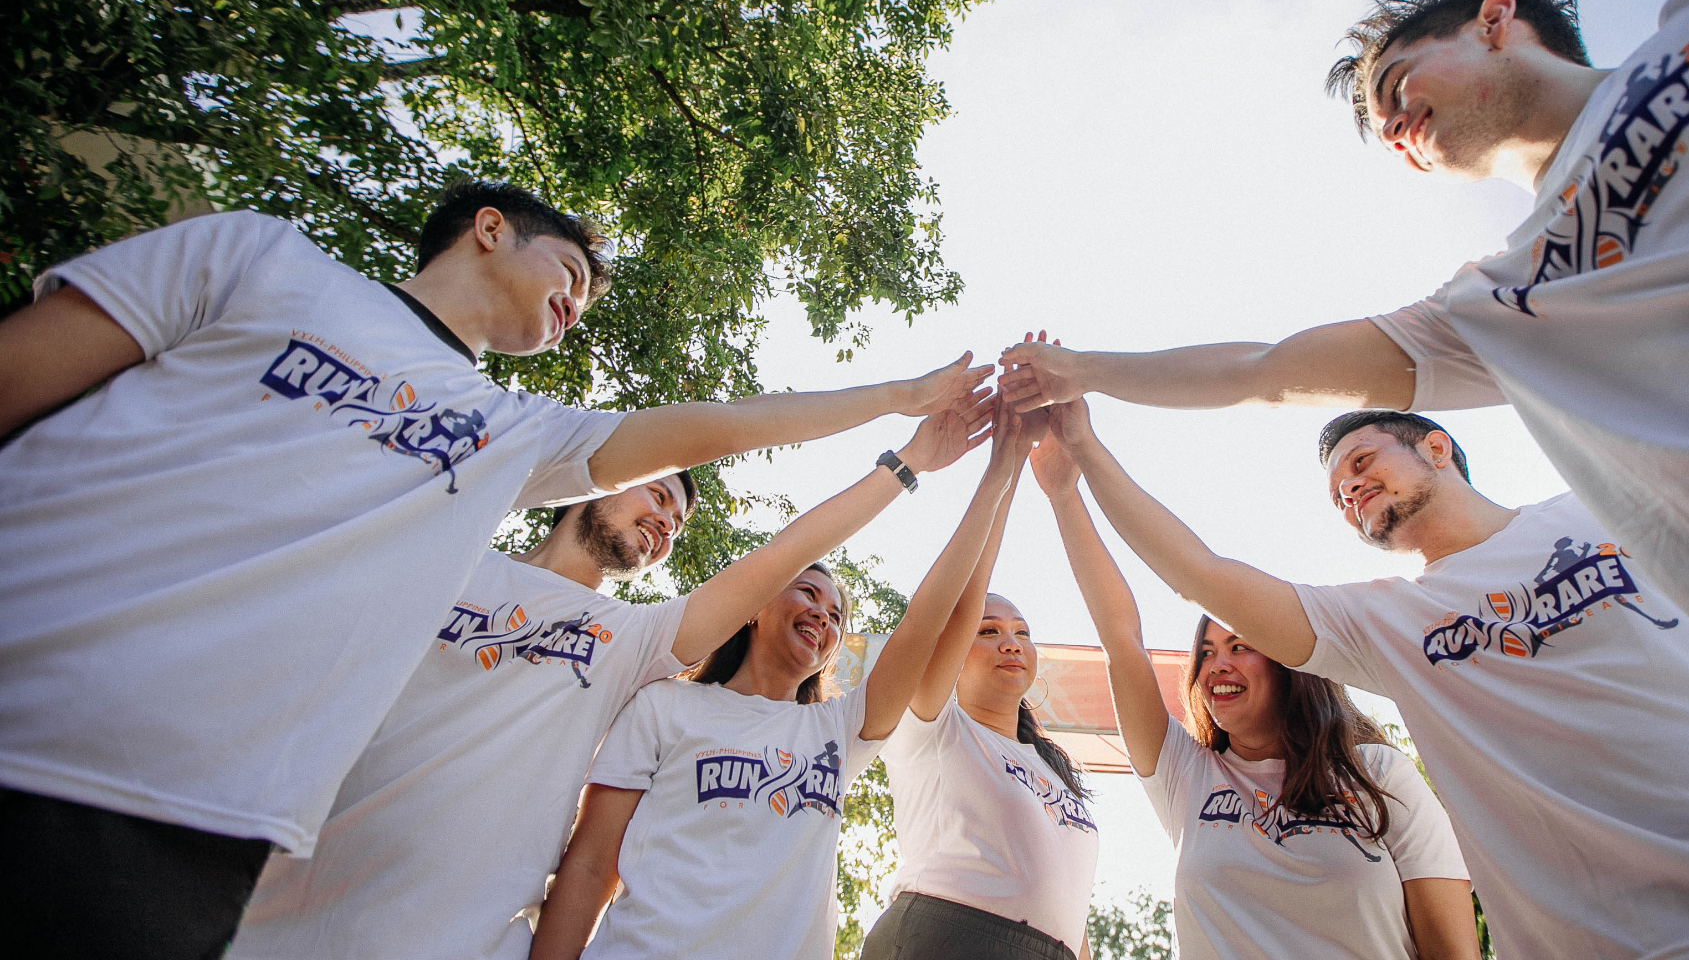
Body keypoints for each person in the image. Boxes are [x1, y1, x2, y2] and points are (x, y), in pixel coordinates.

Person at [998, 0, 1689, 921]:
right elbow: (1267, 369)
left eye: (1395, 81)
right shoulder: (1496, 304)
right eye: (1338, 486)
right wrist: (1083, 377)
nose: (1391, 126)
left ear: (1495, 22)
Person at [0, 179, 993, 959]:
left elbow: (747, 503)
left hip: (190, 830)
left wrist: (901, 423)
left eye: (676, 514)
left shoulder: (532, 475)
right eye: (568, 268)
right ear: (488, 228)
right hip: (100, 759)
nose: (577, 302)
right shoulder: (266, 260)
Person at [1043, 399, 1689, 959]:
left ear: (1437, 446)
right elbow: (1196, 570)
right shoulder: (1382, 622)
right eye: (1337, 491)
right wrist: (1079, 451)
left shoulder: (1601, 509)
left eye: (1359, 463)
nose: (1348, 490)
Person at [231, 371, 980, 960]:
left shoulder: (634, 643)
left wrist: (907, 463)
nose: (664, 522)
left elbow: (781, 556)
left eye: (677, 525)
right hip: (282, 899)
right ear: (590, 484)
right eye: (658, 493)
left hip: (468, 938)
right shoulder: (442, 561)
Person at [528, 395, 1027, 960]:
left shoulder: (839, 731)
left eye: (837, 616)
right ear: (756, 605)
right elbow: (593, 864)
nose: (823, 615)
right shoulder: (663, 706)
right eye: (808, 594)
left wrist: (1000, 473)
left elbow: (927, 627)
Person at [1029, 415, 1476, 960]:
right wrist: (1063, 495)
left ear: (1290, 662)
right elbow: (1121, 639)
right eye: (1206, 653)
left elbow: (1452, 947)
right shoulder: (1187, 777)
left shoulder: (1378, 775)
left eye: (1240, 646)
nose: (1217, 664)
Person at [864, 413, 1098, 960]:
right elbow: (956, 604)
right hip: (950, 936)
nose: (1010, 643)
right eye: (988, 632)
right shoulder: (929, 728)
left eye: (1022, 633)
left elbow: (1067, 902)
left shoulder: (1053, 768)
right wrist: (1007, 465)